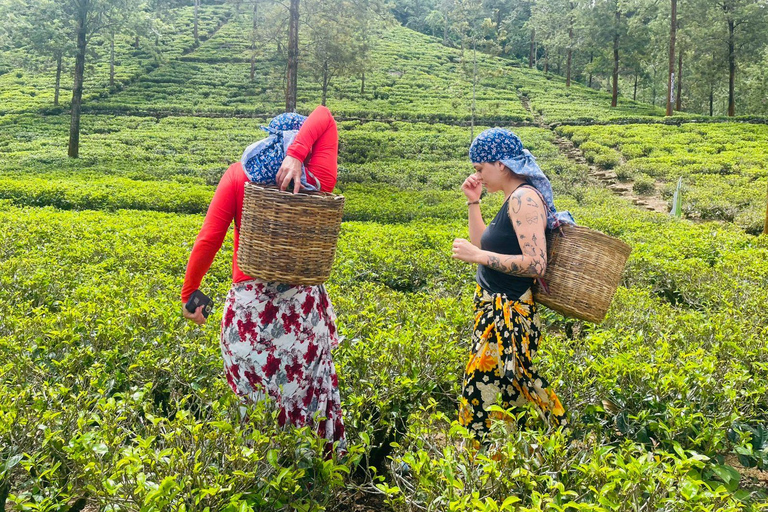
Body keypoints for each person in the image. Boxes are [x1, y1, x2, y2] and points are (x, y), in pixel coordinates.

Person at [181, 105, 346, 453]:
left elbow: (210, 237)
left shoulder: (240, 174)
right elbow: (324, 115)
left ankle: (259, 474)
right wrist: (299, 156)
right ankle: (310, 472)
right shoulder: (316, 177)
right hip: (302, 311)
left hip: (249, 310)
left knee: (254, 408)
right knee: (305, 399)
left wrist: (190, 291)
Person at [451, 128, 573, 440]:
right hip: (495, 308)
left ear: (501, 164)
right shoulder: (511, 197)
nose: (478, 175)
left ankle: (490, 456)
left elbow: (536, 264)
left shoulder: (524, 199)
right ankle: (539, 443)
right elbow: (484, 245)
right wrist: (473, 202)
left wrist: (477, 255)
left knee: (483, 389)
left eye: (481, 169)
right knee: (512, 384)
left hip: (510, 311)